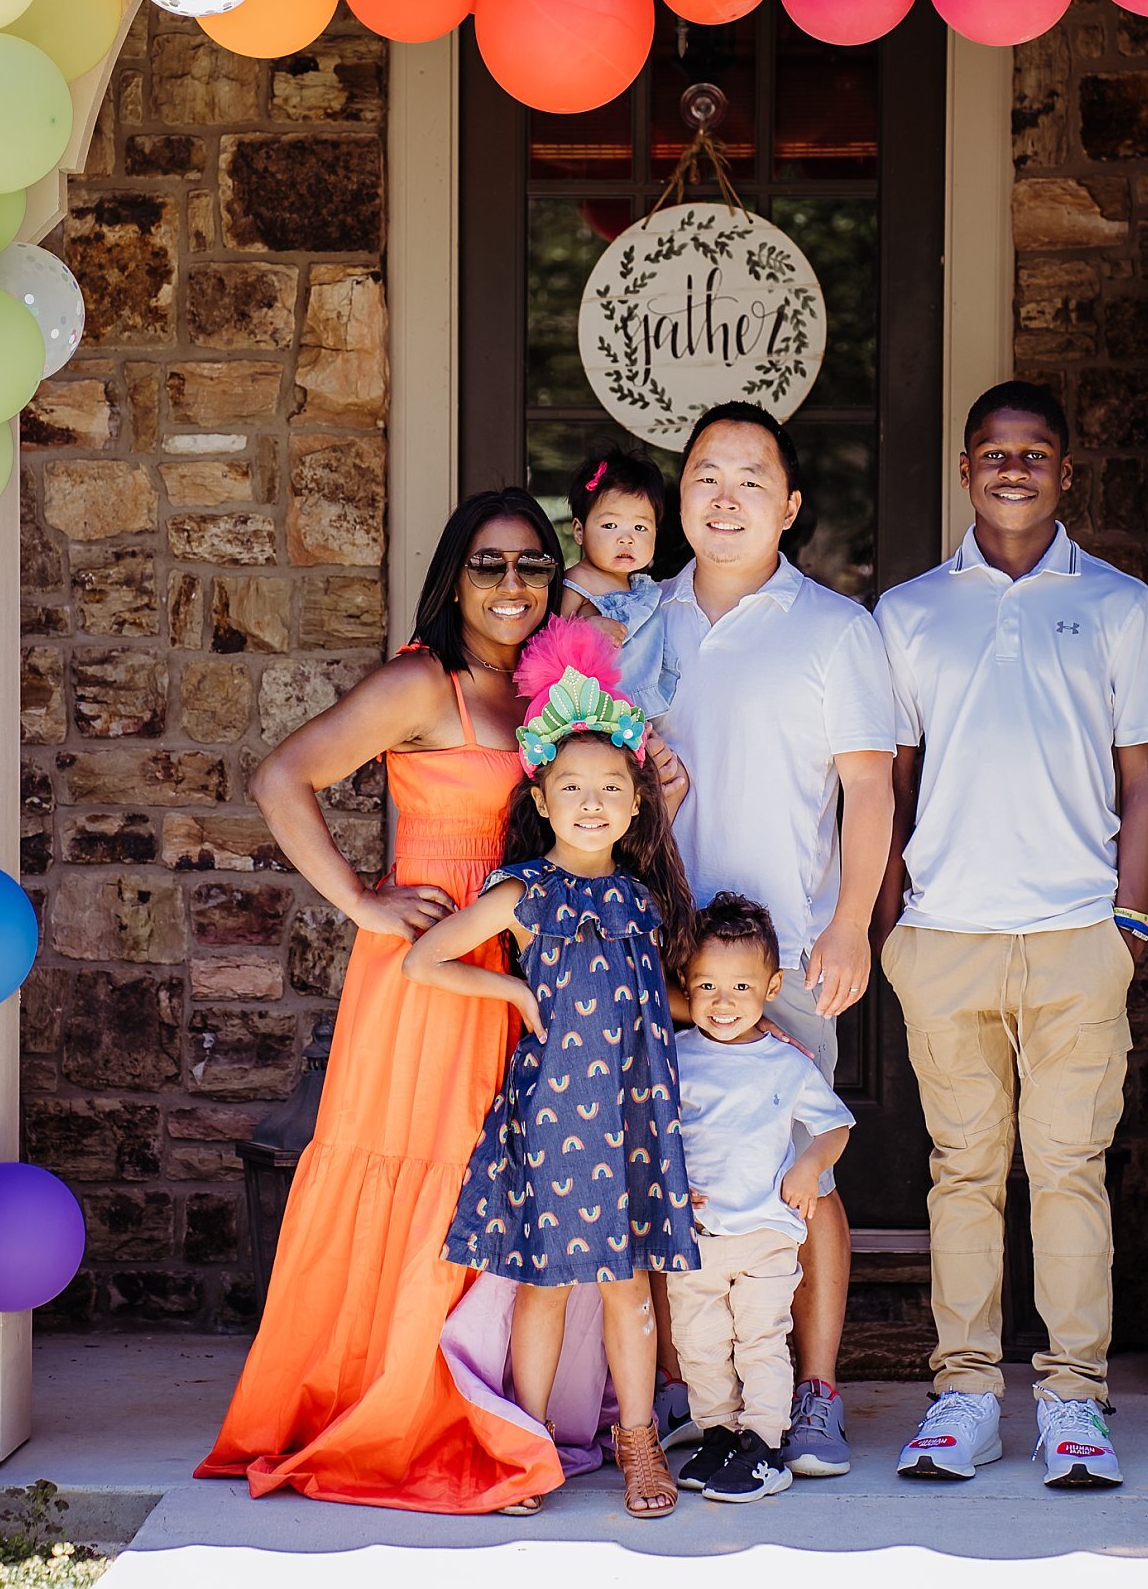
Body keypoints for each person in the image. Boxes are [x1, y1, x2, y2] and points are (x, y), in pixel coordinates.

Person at [198, 490, 593, 1511]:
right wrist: (362, 903)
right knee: (434, 1169)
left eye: (533, 565)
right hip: (427, 966)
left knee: (508, 1173)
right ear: (454, 578)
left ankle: (496, 1395)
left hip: (524, 956)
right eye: (490, 564)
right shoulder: (424, 681)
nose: (513, 584)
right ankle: (405, 1401)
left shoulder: (555, 689)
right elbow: (283, 776)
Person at [872, 381, 1148, 1490]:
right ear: (964, 469)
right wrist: (889, 918)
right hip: (945, 931)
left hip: (1074, 935)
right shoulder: (906, 613)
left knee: (1068, 1169)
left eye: (1034, 452)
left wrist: (1127, 924)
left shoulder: (1118, 603)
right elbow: (890, 786)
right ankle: (963, 1397)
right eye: (993, 453)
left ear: (1064, 469)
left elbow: (1146, 779)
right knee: (963, 1171)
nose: (1013, 468)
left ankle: (1073, 1402)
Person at [408, 616, 699, 1520]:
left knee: (629, 1288)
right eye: (570, 785)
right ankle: (526, 1443)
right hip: (553, 1117)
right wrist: (509, 996)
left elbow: (656, 999)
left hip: (631, 1116)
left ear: (637, 803)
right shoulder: (524, 892)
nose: (590, 802)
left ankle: (639, 1442)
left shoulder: (644, 898)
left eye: (611, 787)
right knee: (542, 1282)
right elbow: (424, 961)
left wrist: (748, 1025)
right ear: (538, 797)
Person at [653, 401, 896, 1477]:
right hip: (661, 961)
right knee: (669, 1170)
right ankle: (689, 1385)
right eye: (707, 473)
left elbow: (870, 787)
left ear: (790, 505)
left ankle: (816, 1391)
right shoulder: (634, 626)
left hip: (790, 959)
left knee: (805, 1175)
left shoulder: (836, 628)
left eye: (753, 477)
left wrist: (852, 923)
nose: (726, 494)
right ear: (680, 496)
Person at [669, 895, 854, 1504]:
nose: (723, 1004)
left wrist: (809, 1165)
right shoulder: (676, 1057)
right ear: (686, 986)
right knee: (698, 1345)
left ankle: (765, 1447)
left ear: (773, 987)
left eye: (741, 987)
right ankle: (720, 1435)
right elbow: (652, 1130)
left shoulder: (786, 1064)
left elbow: (834, 1126)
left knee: (759, 1342)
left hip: (766, 1238)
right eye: (707, 987)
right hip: (695, 1240)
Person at [559, 446, 678, 720]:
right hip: (591, 709)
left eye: (640, 528)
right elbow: (547, 639)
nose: (627, 539)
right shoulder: (578, 580)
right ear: (579, 530)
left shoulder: (644, 590)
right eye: (610, 526)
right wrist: (585, 629)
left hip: (638, 713)